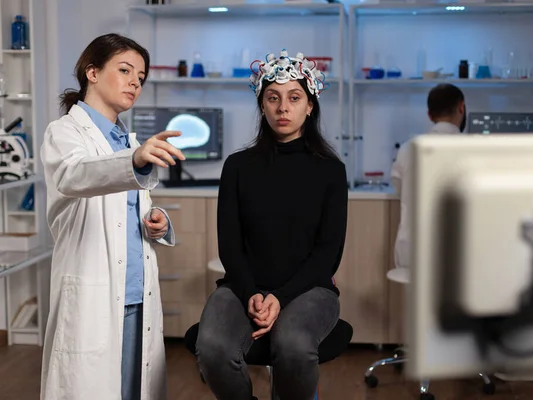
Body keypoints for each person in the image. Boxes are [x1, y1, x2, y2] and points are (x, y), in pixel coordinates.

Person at [195, 49, 348, 400]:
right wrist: (251, 293)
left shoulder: (330, 171)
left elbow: (328, 253)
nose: (283, 108)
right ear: (262, 105)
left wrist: (280, 297)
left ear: (310, 105)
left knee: (293, 346)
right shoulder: (237, 166)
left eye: (294, 98)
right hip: (242, 287)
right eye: (273, 98)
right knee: (213, 347)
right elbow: (229, 245)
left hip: (311, 290)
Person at [40, 33, 185, 400]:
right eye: (125, 70)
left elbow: (126, 213)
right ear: (92, 71)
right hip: (95, 292)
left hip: (136, 293)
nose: (135, 82)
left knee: (133, 390)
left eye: (140, 77)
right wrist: (134, 160)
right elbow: (76, 175)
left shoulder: (128, 142)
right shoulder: (65, 133)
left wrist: (159, 222)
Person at [390, 83, 466, 278]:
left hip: (411, 252)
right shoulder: (473, 150)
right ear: (461, 108)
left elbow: (399, 187)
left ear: (430, 115)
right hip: (457, 254)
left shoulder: (408, 148)